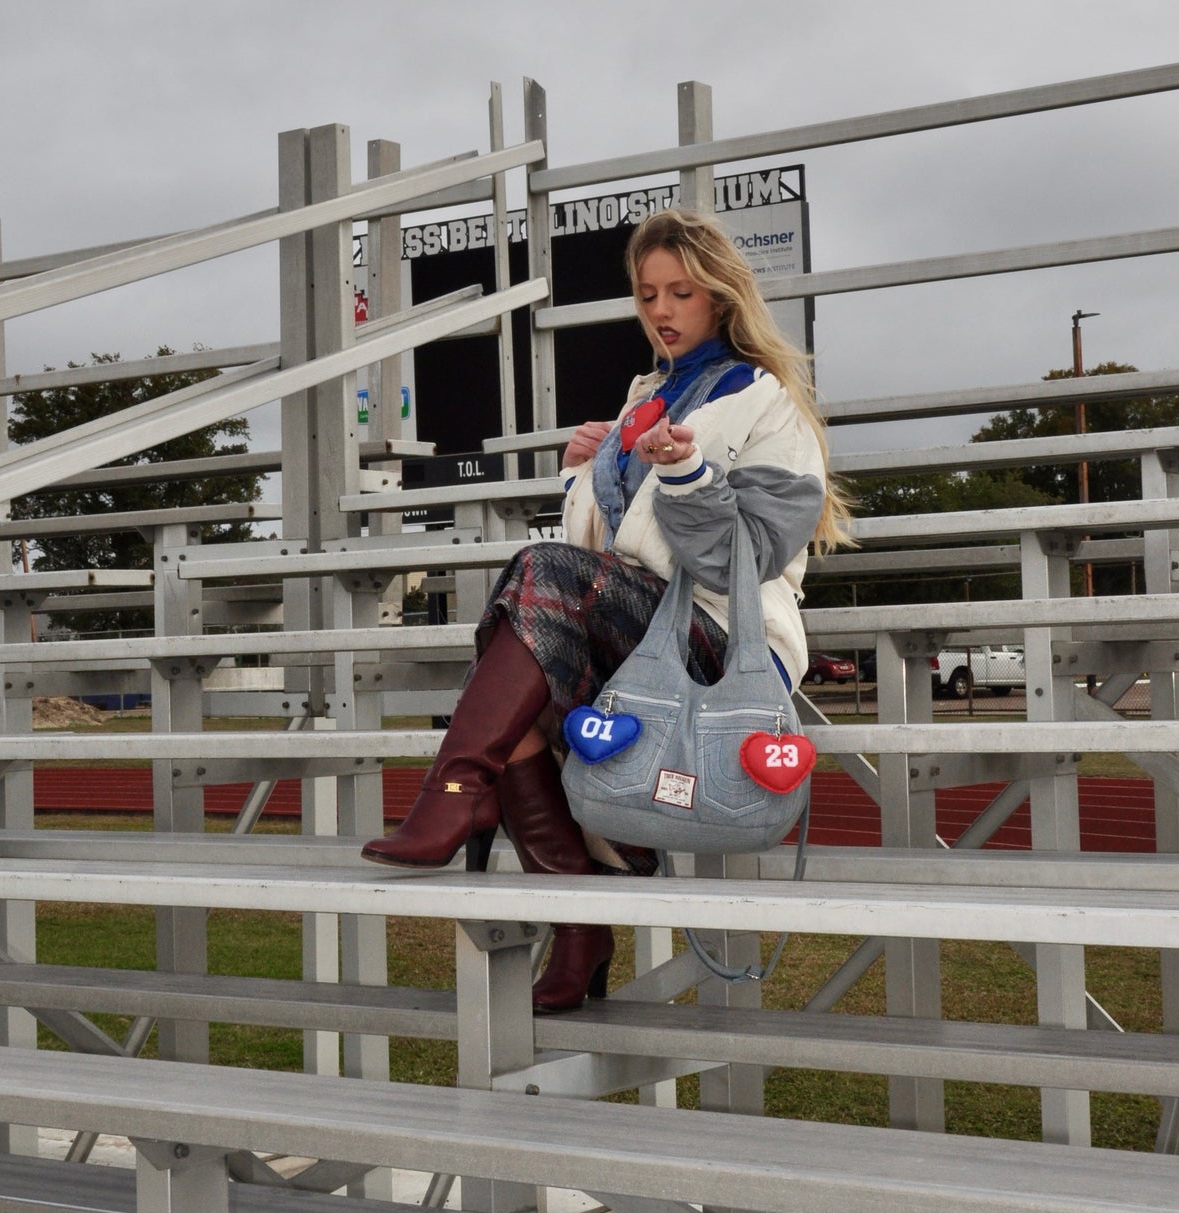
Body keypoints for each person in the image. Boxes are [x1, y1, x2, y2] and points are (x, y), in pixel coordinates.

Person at [362, 207, 849, 1011]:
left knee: (532, 587)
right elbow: (605, 549)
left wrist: (689, 474)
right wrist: (578, 476)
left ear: (720, 298)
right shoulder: (642, 400)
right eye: (647, 293)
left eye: (680, 293)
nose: (660, 311)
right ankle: (574, 923)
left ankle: (457, 793)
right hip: (633, 625)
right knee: (521, 646)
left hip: (721, 641)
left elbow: (744, 560)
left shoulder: (767, 405)